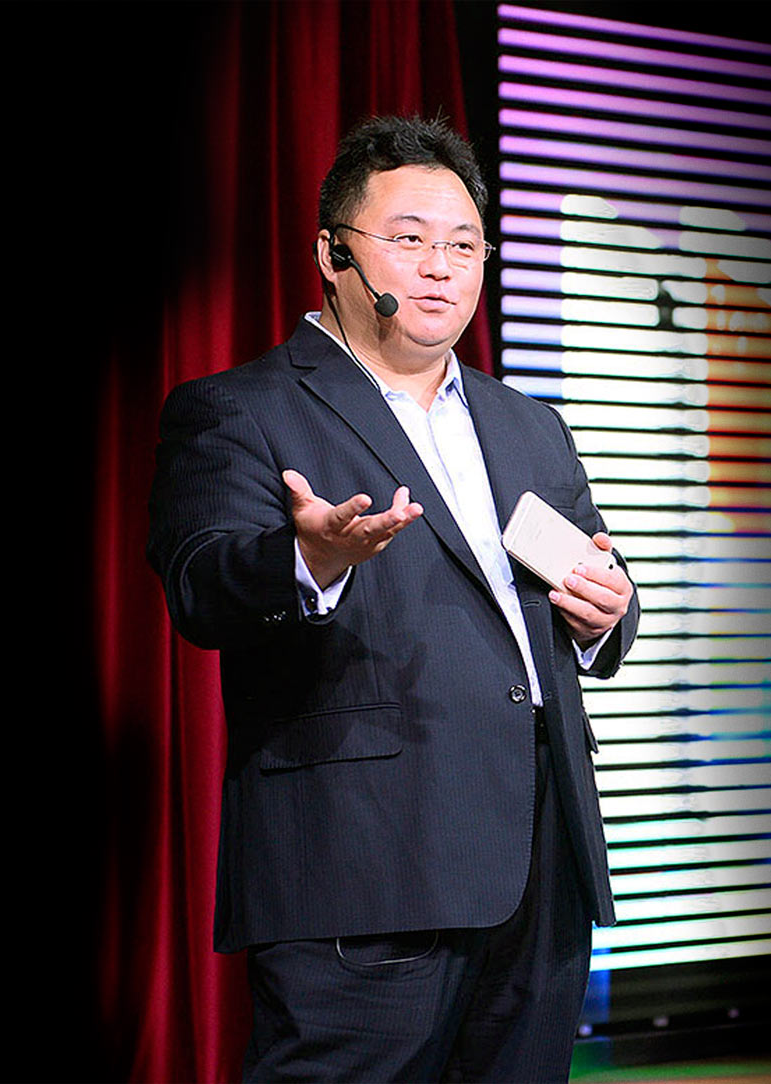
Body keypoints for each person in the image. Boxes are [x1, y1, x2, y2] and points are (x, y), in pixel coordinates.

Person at [147, 114, 641, 1083]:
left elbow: (601, 588)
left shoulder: (529, 424)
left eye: (463, 244)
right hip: (364, 870)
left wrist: (605, 616)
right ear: (331, 254)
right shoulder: (240, 409)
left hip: (542, 868)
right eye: (408, 239)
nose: (440, 268)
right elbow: (201, 583)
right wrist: (308, 556)